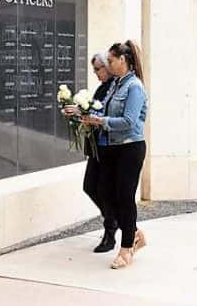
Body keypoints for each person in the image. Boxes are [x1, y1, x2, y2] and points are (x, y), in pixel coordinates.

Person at [82, 40, 148, 269]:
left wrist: (101, 121)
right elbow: (100, 109)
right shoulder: (115, 86)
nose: (108, 65)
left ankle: (126, 248)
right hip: (112, 148)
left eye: (111, 60)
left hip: (130, 148)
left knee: (124, 196)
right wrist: (82, 113)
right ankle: (135, 233)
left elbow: (129, 122)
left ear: (123, 60)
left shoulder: (134, 87)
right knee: (104, 191)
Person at [65, 53, 117, 253]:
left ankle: (110, 230)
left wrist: (84, 113)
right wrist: (76, 113)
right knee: (90, 186)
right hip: (96, 145)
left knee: (103, 189)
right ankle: (113, 219)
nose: (96, 73)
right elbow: (92, 113)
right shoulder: (102, 87)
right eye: (94, 69)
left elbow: (103, 114)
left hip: (107, 147)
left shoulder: (113, 87)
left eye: (98, 69)